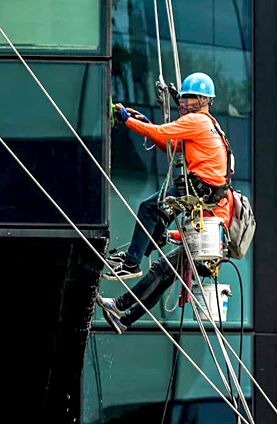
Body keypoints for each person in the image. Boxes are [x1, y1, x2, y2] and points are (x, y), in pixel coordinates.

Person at [99, 72, 234, 333]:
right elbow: (170, 145)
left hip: (200, 192)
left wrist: (128, 121)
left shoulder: (196, 121)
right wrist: (145, 123)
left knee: (150, 208)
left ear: (201, 100)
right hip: (204, 202)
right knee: (162, 272)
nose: (182, 103)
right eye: (182, 98)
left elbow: (162, 133)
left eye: (187, 98)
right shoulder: (207, 124)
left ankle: (131, 263)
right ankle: (122, 315)